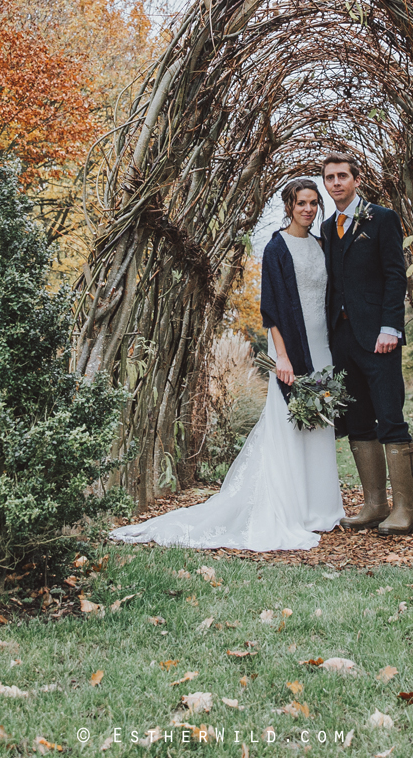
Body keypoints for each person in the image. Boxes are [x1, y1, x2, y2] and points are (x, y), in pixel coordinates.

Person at [108, 179, 345, 551]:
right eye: (301, 203)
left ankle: (321, 509)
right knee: (289, 422)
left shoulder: (321, 244)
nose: (309, 210)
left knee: (317, 423)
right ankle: (291, 508)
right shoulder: (276, 247)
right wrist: (282, 357)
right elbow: (272, 311)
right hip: (293, 345)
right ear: (288, 205)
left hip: (323, 345)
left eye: (314, 203)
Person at [320, 154, 413, 535]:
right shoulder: (328, 228)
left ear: (357, 180)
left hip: (379, 338)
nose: (336, 183)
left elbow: (396, 275)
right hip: (341, 340)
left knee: (390, 418)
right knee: (359, 422)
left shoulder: (383, 219)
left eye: (343, 176)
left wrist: (391, 327)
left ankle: (404, 511)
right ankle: (375, 505)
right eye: (329, 178)